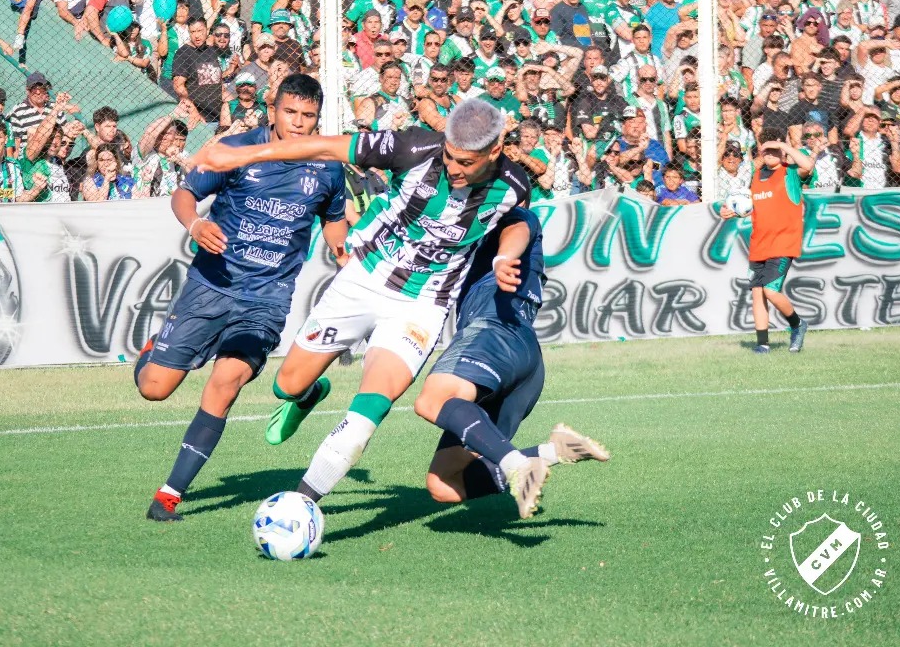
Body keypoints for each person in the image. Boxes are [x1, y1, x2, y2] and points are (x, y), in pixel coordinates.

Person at [188, 98, 532, 505]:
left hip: (421, 305)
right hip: (361, 280)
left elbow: (517, 223)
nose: (454, 168)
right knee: (286, 384)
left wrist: (505, 256)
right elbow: (323, 146)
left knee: (366, 414)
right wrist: (241, 154)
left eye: (466, 162)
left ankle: (302, 503)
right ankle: (306, 396)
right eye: (451, 157)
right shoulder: (415, 148)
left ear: (495, 151)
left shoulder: (514, 185)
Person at [140, 74, 348, 522]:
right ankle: (152, 352)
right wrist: (195, 225)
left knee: (226, 382)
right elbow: (184, 194)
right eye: (290, 112)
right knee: (153, 388)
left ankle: (169, 495)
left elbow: (333, 218)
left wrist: (340, 248)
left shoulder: (328, 165)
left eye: (308, 116)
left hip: (267, 298)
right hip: (212, 285)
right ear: (273, 109)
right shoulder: (238, 149)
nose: (298, 123)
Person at [413, 206, 610, 518]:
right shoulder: (460, 231)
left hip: (495, 336)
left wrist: (503, 259)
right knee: (444, 483)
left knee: (434, 399)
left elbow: (516, 229)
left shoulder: (508, 215)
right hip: (524, 364)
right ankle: (553, 451)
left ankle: (518, 466)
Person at [720, 136, 813, 354]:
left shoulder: (790, 172)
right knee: (757, 293)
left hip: (782, 243)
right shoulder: (757, 176)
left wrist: (783, 146)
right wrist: (731, 212)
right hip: (759, 243)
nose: (770, 154)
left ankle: (797, 324)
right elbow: (754, 207)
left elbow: (808, 165)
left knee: (771, 291)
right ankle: (762, 344)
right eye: (766, 151)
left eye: (775, 151)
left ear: (783, 152)